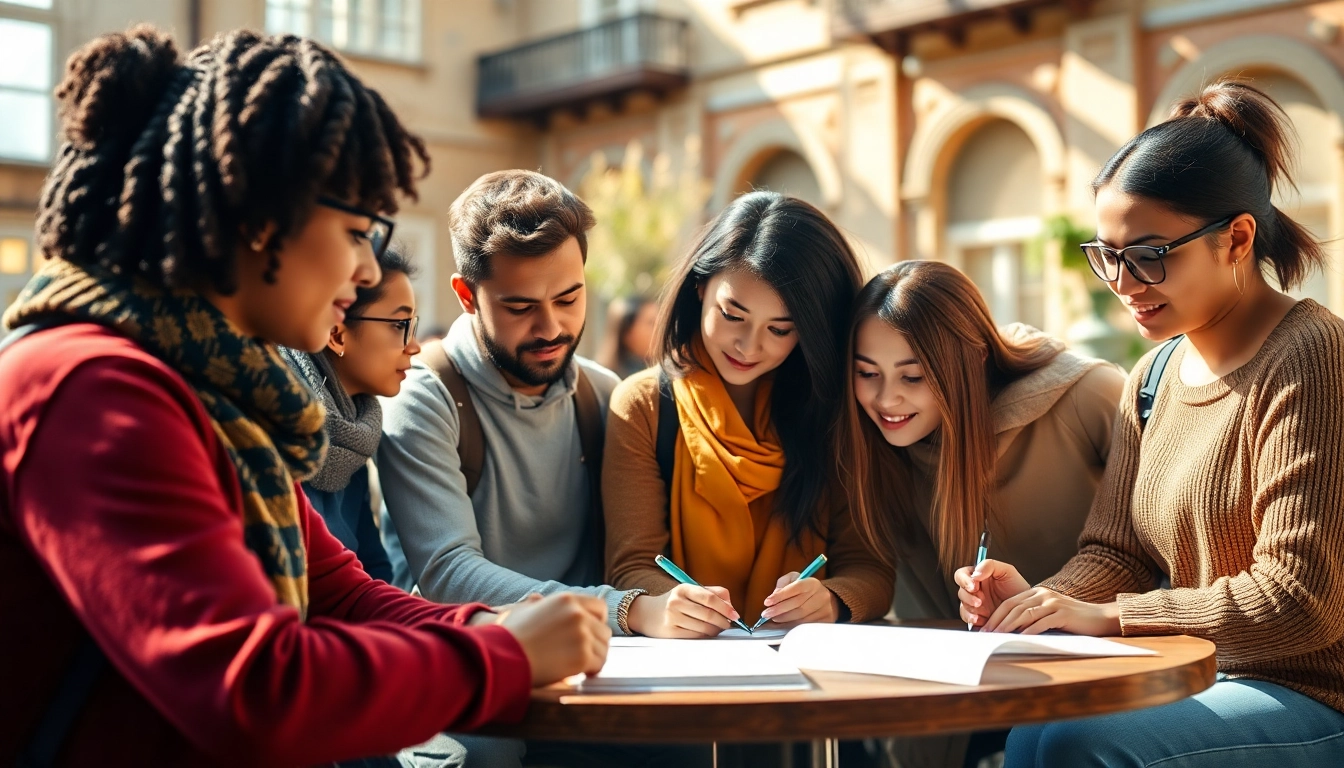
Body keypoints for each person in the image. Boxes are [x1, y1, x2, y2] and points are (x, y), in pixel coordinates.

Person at [0, 26, 608, 767]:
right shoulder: (94, 388)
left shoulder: (218, 395)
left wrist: (493, 625)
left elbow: (344, 596)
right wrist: (500, 655)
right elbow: (254, 689)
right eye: (356, 232)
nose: (363, 271)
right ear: (263, 226)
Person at [957, 80, 1344, 767]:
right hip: (1199, 677)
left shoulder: (1312, 356)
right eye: (1107, 255)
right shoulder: (1154, 375)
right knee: (1032, 736)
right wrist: (1044, 601)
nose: (1125, 282)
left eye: (1149, 255)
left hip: (1313, 694)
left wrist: (1110, 618)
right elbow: (1119, 554)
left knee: (1079, 744)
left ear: (1237, 240)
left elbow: (1300, 598)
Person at [378, 170, 703, 768]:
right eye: (522, 307)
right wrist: (626, 608)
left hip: (593, 679)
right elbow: (448, 571)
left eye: (570, 298)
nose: (551, 328)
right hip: (467, 674)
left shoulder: (603, 396)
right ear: (466, 294)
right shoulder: (424, 396)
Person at [839, 260, 1124, 767]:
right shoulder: (870, 444)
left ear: (967, 362)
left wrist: (1062, 602)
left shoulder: (1088, 395)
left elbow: (1164, 544)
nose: (887, 398)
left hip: (1090, 701)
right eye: (867, 373)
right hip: (943, 719)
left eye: (913, 375)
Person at [604, 191, 894, 639]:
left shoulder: (834, 408)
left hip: (808, 668)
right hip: (686, 669)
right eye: (732, 314)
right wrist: (667, 604)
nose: (748, 346)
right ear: (699, 286)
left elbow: (871, 570)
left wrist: (831, 599)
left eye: (780, 329)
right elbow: (632, 566)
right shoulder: (643, 406)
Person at [281, 245, 421, 585]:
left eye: (413, 326)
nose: (414, 345)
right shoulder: (280, 423)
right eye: (400, 325)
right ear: (337, 333)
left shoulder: (352, 433)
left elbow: (373, 573)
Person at [596, 295, 657, 378]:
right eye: (651, 323)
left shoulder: (665, 373)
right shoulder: (603, 380)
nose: (658, 330)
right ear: (627, 332)